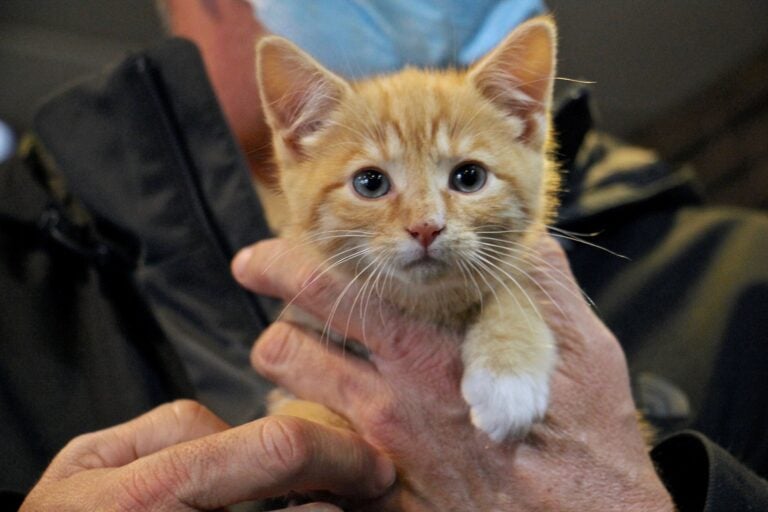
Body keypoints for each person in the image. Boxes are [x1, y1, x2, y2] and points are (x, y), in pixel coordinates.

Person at [2, 0, 767, 509]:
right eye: (373, 182)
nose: (426, 221)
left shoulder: (744, 278)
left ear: (530, 129)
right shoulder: (20, 298)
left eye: (466, 176)